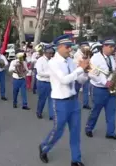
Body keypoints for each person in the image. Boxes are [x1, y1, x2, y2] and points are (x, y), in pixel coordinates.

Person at [39, 34, 89, 166]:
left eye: (71, 47)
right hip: (60, 101)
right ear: (59, 47)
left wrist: (86, 72)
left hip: (73, 100)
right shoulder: (53, 63)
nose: (70, 50)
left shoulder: (70, 62)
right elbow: (64, 79)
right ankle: (44, 147)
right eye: (67, 47)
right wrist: (80, 69)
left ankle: (76, 160)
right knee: (58, 130)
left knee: (75, 130)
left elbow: (80, 80)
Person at [85, 39, 116, 141]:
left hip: (110, 88)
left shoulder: (111, 58)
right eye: (110, 47)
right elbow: (91, 73)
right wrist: (104, 82)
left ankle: (110, 132)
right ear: (104, 47)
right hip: (98, 88)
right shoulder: (95, 58)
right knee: (95, 110)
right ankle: (89, 128)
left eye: (113, 47)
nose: (112, 49)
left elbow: (113, 71)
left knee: (111, 111)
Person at [35, 45, 55, 120]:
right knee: (42, 99)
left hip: (51, 82)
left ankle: (52, 115)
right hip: (43, 82)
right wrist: (51, 74)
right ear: (45, 53)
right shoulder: (40, 60)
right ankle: (39, 112)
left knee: (52, 99)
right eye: (49, 53)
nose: (51, 55)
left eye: (52, 53)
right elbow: (39, 72)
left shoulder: (52, 60)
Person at [73, 42, 91, 110]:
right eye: (85, 47)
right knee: (76, 91)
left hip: (86, 75)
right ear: (81, 47)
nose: (86, 48)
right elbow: (76, 65)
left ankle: (85, 104)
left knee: (86, 90)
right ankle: (74, 104)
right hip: (78, 75)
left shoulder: (87, 54)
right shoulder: (77, 55)